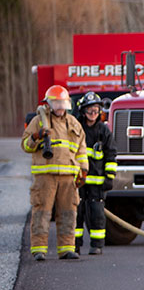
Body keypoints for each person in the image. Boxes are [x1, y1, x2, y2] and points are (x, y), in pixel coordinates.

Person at [21, 85, 87, 260]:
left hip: (68, 177)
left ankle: (66, 248)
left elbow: (81, 150)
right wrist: (35, 137)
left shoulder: (73, 123)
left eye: (62, 103)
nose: (60, 107)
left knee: (68, 213)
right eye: (56, 103)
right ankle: (39, 250)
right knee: (42, 212)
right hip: (45, 176)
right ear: (49, 104)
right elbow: (25, 145)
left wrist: (84, 171)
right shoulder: (38, 121)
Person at [74, 92, 117, 256]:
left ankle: (97, 245)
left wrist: (109, 177)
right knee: (77, 214)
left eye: (96, 110)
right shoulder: (77, 129)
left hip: (98, 183)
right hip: (78, 181)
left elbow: (111, 154)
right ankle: (74, 245)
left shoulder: (104, 131)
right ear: (83, 112)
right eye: (89, 111)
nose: (93, 114)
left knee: (97, 214)